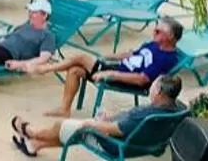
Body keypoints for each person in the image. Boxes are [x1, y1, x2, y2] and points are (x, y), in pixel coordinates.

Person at [13, 72, 187, 158]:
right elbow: (128, 124)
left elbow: (115, 129)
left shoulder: (145, 115)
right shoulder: (179, 108)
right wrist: (110, 118)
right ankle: (35, 145)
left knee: (65, 127)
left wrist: (92, 123)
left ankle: (30, 132)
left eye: (153, 86)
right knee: (74, 130)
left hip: (115, 146)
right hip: (143, 146)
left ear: (157, 93)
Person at [49, 18, 184, 116]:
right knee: (74, 70)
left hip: (125, 79)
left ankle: (46, 69)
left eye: (158, 31)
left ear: (170, 36)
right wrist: (107, 57)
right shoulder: (155, 44)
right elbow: (131, 54)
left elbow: (142, 79)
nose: (154, 32)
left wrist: (109, 74)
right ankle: (64, 109)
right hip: (118, 69)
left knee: (80, 58)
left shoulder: (167, 58)